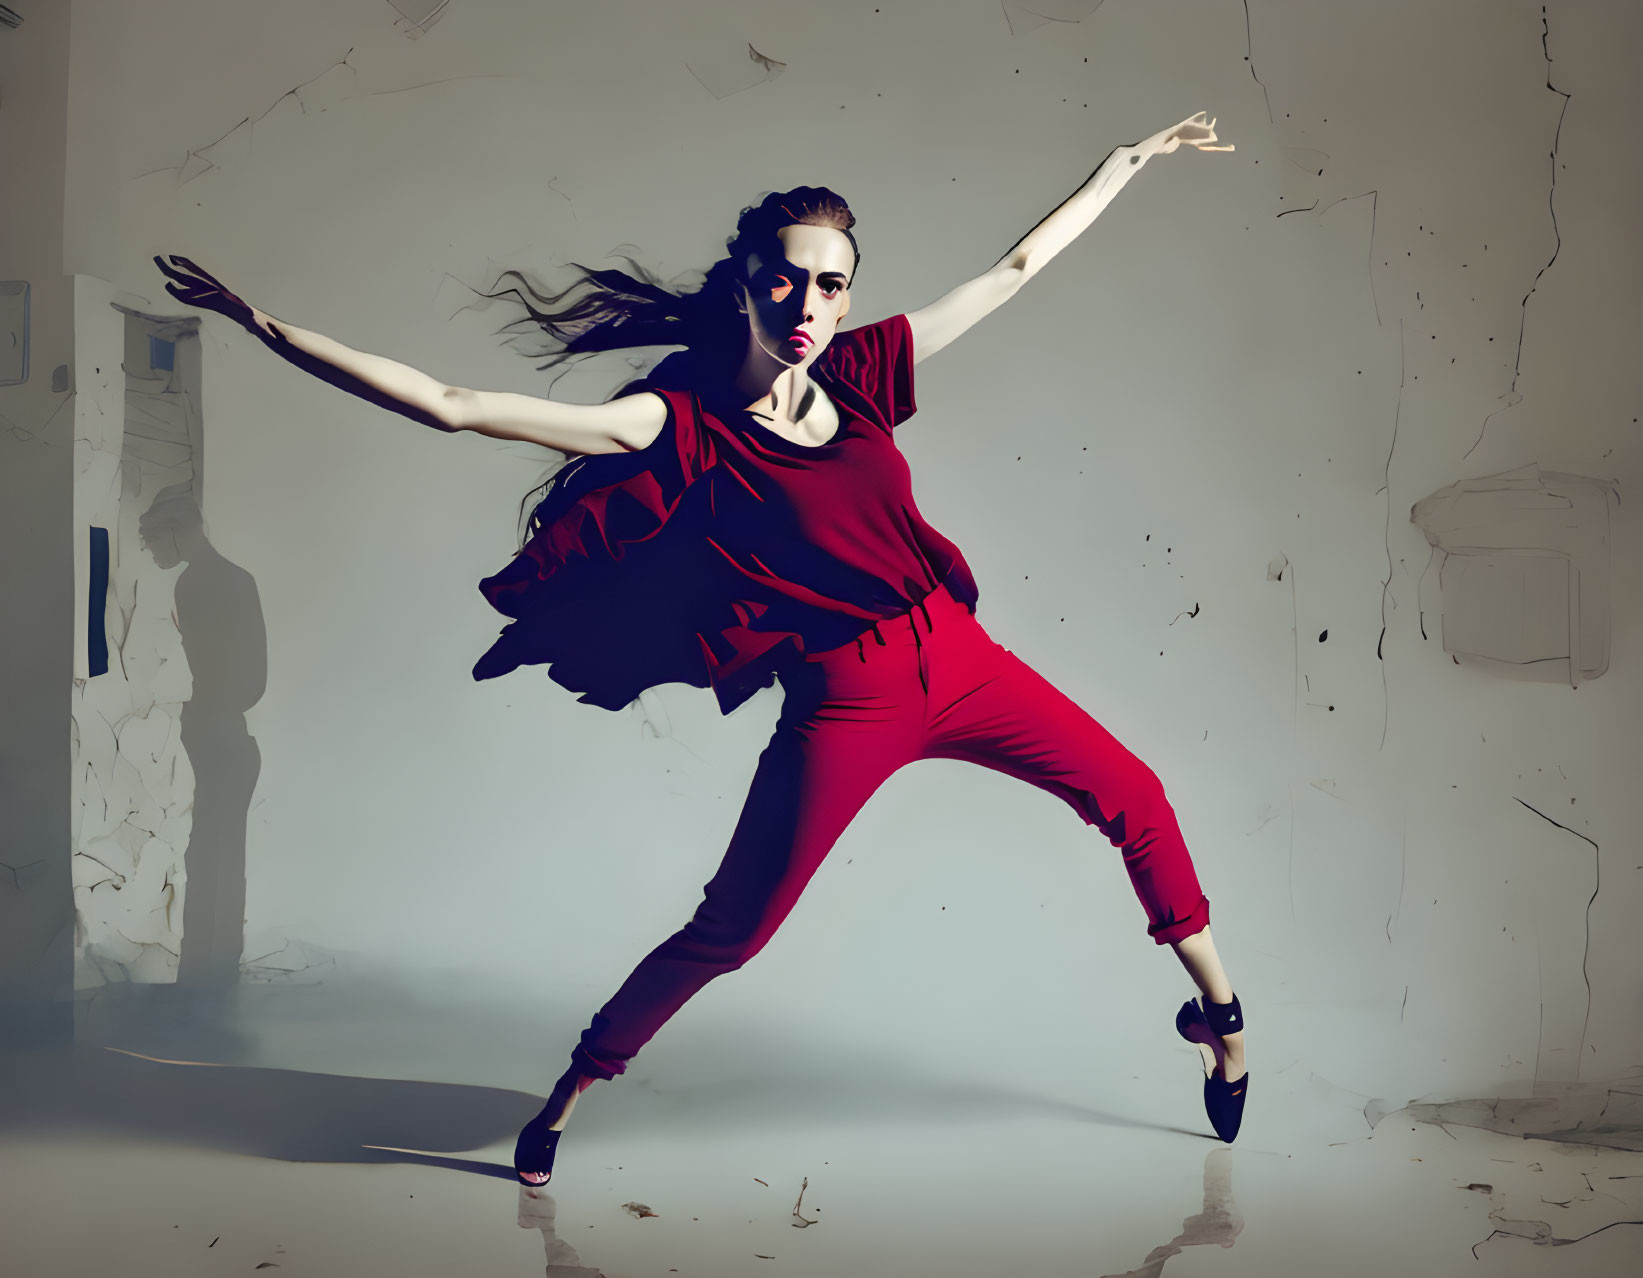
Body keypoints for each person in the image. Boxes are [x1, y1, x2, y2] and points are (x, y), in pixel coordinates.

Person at [154, 110, 1248, 1188]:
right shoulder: (673, 419)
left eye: (830, 285)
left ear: (848, 293)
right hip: (846, 700)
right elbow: (455, 406)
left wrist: (1122, 164)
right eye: (784, 280)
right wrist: (266, 326)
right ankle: (573, 1090)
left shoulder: (862, 376)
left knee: (1135, 794)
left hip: (957, 656)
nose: (807, 304)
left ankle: (1218, 1021)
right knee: (731, 931)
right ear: (744, 283)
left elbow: (1012, 268)